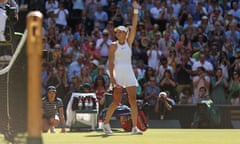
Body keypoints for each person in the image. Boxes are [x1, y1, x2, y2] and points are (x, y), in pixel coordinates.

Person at [103, 1, 142, 135]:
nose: (119, 34)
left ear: (126, 34)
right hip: (117, 74)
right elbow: (110, 63)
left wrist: (136, 11)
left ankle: (134, 127)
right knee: (116, 101)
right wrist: (112, 79)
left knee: (133, 101)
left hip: (129, 73)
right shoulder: (113, 45)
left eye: (121, 32)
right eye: (118, 32)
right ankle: (106, 124)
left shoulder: (129, 42)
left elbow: (135, 26)